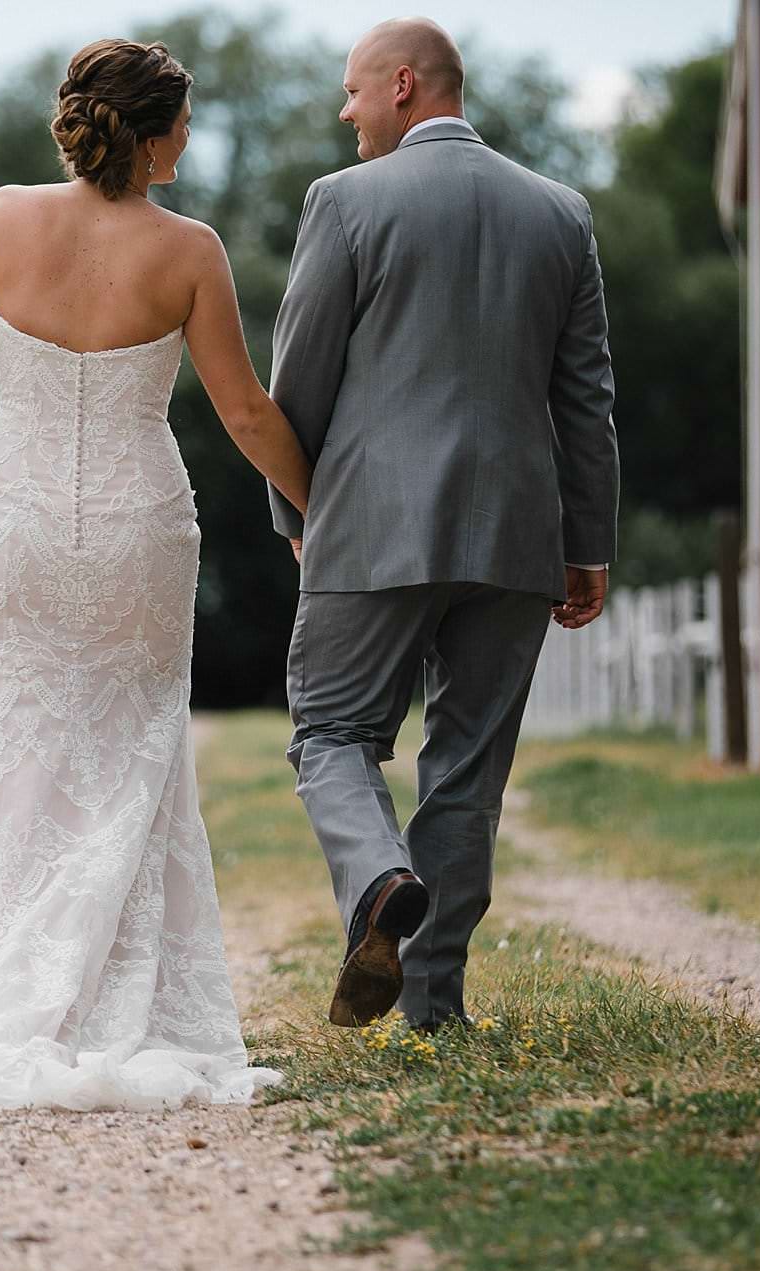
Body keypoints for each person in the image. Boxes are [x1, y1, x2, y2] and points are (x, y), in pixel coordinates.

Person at [0, 39, 311, 1110]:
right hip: (138, 532)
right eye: (185, 122)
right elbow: (245, 413)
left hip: (14, 526)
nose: (189, 140)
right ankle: (94, 998)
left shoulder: (1, 217)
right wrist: (323, 512)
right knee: (127, 749)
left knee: (0, 733)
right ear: (155, 131)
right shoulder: (191, 251)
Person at [266, 18, 620, 1032]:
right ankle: (433, 1004)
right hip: (516, 535)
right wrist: (584, 544)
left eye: (353, 92)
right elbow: (585, 398)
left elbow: (300, 377)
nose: (345, 112)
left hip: (370, 526)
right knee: (467, 767)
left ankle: (378, 881)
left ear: (405, 87)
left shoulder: (342, 203)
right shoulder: (561, 212)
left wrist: (298, 510)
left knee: (332, 731)